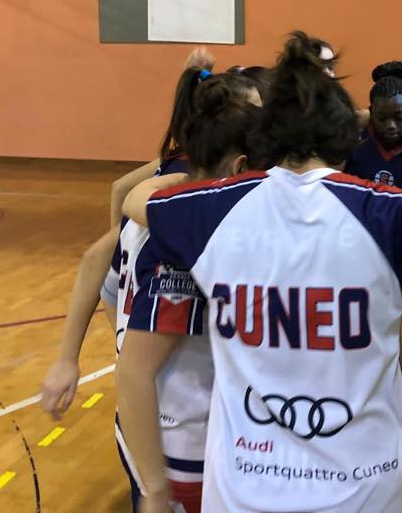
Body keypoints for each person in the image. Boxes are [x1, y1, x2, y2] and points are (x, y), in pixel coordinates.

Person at [121, 31, 402, 513]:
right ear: (345, 136)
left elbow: (134, 199)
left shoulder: (208, 208)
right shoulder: (390, 212)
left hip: (243, 491)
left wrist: (178, 182)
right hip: (367, 493)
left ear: (264, 135)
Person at [116, 73, 262, 512]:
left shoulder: (158, 208)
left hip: (160, 429)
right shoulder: (187, 239)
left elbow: (103, 281)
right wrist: (155, 487)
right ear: (239, 167)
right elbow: (134, 370)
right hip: (185, 443)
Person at [345, 61, 402, 192]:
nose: (390, 125)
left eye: (398, 117)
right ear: (371, 112)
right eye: (382, 118)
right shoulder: (355, 142)